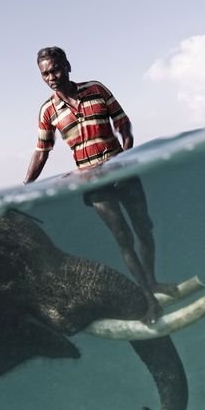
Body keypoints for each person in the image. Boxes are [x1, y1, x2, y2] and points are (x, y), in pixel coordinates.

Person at [23, 46, 175, 323]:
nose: (51, 77)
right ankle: (149, 300)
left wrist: (126, 155)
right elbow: (42, 151)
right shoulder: (48, 111)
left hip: (121, 170)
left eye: (55, 69)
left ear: (67, 66)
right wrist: (24, 187)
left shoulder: (95, 89)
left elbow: (122, 122)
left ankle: (152, 281)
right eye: (45, 74)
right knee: (123, 238)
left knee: (144, 227)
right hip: (91, 181)